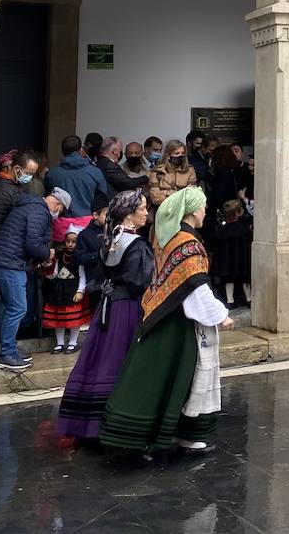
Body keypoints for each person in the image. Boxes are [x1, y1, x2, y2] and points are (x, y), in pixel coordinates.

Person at [100, 186, 234, 455]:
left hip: (160, 314)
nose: (205, 211)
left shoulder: (168, 237)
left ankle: (160, 432)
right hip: (179, 323)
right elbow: (195, 284)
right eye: (203, 207)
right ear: (193, 211)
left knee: (160, 376)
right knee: (183, 376)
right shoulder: (188, 242)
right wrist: (221, 314)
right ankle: (182, 434)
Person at [56, 190, 153, 441]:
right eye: (142, 208)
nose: (146, 212)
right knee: (119, 361)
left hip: (108, 305)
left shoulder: (112, 237)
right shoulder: (137, 244)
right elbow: (138, 281)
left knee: (101, 359)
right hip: (127, 307)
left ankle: (88, 422)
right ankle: (116, 423)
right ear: (130, 215)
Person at [0, 186, 69, 371]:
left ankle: (10, 350)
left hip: (6, 262)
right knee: (18, 307)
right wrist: (47, 254)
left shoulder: (29, 206)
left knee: (11, 306)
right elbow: (32, 244)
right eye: (61, 210)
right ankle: (7, 353)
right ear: (57, 204)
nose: (59, 214)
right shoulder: (39, 212)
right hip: (10, 265)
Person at [0, 148, 40, 267]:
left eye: (32, 174)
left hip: (15, 252)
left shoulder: (18, 186)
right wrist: (4, 252)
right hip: (5, 255)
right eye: (28, 173)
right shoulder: (0, 190)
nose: (30, 177)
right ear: (16, 168)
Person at [41, 227, 92, 353]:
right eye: (68, 241)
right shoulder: (59, 256)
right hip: (58, 290)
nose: (70, 244)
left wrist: (80, 291)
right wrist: (46, 269)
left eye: (73, 242)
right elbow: (54, 273)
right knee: (59, 318)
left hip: (73, 290)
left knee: (74, 319)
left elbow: (82, 276)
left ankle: (73, 342)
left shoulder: (79, 257)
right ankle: (60, 343)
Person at [48, 135, 109, 219]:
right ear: (81, 149)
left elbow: (48, 199)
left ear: (62, 152)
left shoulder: (52, 174)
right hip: (87, 223)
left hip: (60, 224)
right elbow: (102, 200)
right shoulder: (96, 173)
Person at [147, 140, 196, 243]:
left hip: (182, 219)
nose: (180, 156)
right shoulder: (157, 172)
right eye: (177, 153)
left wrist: (166, 193)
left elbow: (192, 197)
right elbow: (155, 197)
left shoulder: (190, 171)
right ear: (168, 155)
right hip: (162, 219)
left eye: (182, 153)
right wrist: (179, 193)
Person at [210, 199, 252, 309]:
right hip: (242, 263)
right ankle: (249, 299)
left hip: (227, 264)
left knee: (229, 279)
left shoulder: (221, 230)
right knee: (244, 279)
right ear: (238, 213)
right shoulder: (244, 229)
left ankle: (230, 300)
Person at [74, 192, 109, 316]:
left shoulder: (113, 231)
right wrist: (98, 254)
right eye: (106, 214)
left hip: (112, 282)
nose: (109, 217)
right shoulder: (85, 235)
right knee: (98, 316)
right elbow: (79, 258)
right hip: (96, 283)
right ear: (95, 215)